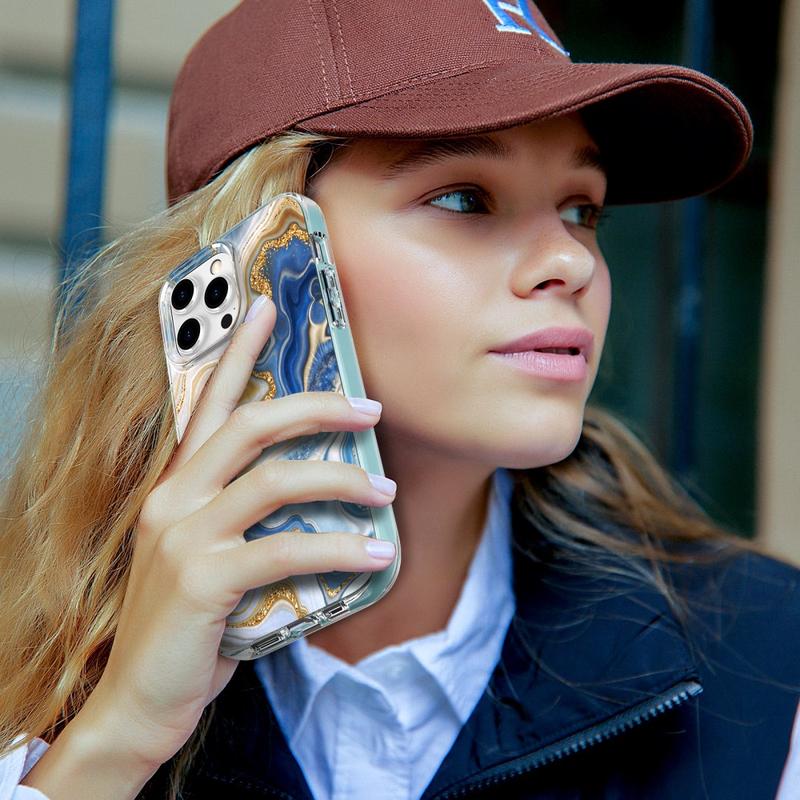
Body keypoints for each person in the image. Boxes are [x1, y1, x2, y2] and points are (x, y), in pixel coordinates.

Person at [1, 1, 799, 798]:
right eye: (464, 198)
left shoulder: (767, 663)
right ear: (255, 262)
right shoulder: (37, 670)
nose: (572, 261)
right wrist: (122, 733)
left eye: (581, 209)